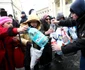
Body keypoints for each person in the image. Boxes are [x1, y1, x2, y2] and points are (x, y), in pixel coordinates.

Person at [52, 0, 85, 70]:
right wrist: (58, 22)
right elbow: (70, 22)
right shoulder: (80, 19)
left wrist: (61, 48)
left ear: (79, 11)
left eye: (73, 13)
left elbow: (80, 43)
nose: (72, 15)